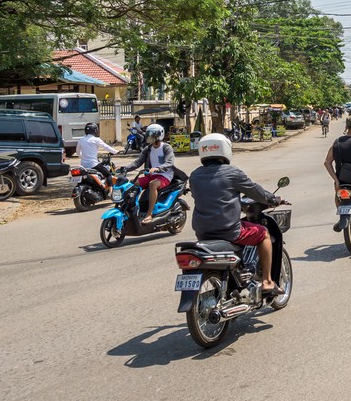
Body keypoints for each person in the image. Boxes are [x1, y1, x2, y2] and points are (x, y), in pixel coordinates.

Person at [190, 133, 287, 296]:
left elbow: (211, 198)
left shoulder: (195, 175)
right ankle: (268, 281)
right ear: (225, 150)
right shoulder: (232, 173)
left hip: (202, 232)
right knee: (263, 234)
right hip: (229, 231)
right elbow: (256, 191)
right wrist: (273, 199)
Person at [122, 123, 175, 224]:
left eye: (152, 135)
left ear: (159, 136)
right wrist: (124, 169)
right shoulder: (148, 148)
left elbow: (169, 162)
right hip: (152, 175)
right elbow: (138, 162)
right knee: (133, 184)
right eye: (149, 135)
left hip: (165, 175)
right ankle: (133, 209)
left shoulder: (166, 147)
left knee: (152, 184)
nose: (149, 138)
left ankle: (149, 213)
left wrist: (158, 168)